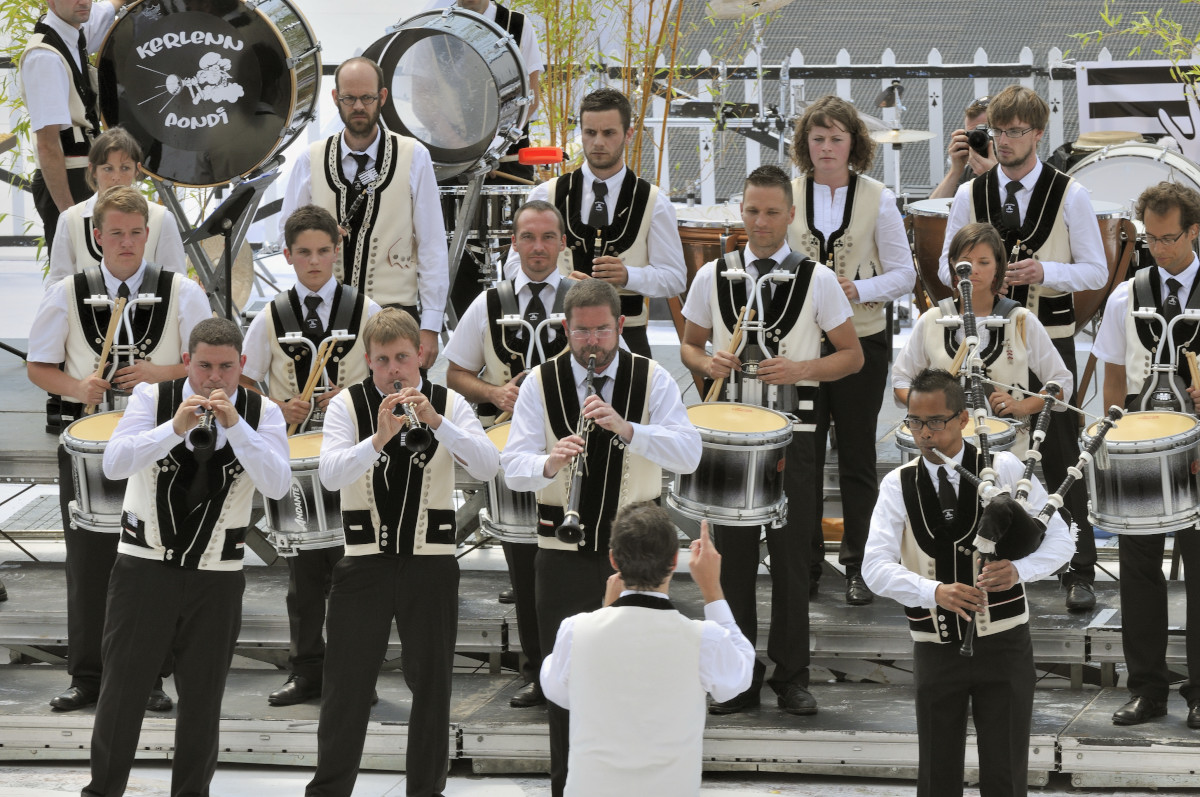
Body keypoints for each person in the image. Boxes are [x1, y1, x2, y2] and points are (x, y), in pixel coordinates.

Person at [501, 278, 701, 797]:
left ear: (620, 326)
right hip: (561, 552)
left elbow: (688, 453)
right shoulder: (539, 383)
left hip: (637, 559)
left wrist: (628, 428)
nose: (593, 342)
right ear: (566, 328)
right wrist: (549, 461)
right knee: (566, 687)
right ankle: (566, 787)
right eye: (583, 332)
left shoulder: (651, 378)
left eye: (603, 331)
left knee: (637, 680)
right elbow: (511, 467)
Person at [680, 164, 862, 717]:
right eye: (753, 211)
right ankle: (736, 679)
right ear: (742, 211)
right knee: (730, 563)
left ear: (791, 216)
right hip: (730, 441)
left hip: (793, 437)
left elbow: (852, 356)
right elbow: (689, 345)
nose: (762, 222)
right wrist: (708, 358)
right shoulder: (714, 274)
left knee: (789, 561)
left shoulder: (820, 278)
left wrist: (801, 367)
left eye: (773, 212)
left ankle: (792, 677)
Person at [84, 317, 291, 797]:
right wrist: (173, 428)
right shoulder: (152, 400)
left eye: (225, 368)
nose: (214, 379)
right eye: (203, 367)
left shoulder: (264, 414)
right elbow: (114, 463)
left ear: (241, 365)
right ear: (186, 363)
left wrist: (236, 426)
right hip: (143, 569)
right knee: (122, 693)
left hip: (216, 576)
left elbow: (278, 484)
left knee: (202, 700)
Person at [27, 185, 211, 713]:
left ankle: (148, 675)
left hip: (162, 446)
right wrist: (76, 388)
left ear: (147, 236)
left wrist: (165, 371)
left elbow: (216, 365)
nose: (127, 243)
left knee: (153, 562)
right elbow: (40, 367)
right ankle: (87, 676)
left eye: (136, 233)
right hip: (89, 447)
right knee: (87, 564)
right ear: (96, 236)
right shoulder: (66, 291)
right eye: (116, 234)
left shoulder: (183, 292)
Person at [307, 308, 499, 797]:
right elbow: (330, 475)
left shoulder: (449, 403)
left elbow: (487, 466)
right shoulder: (345, 407)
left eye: (403, 358)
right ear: (369, 364)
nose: (395, 370)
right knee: (345, 689)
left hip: (430, 565)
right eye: (383, 361)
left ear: (421, 357)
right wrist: (377, 439)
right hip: (363, 565)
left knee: (432, 689)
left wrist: (437, 423)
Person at [863, 368, 1073, 797]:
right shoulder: (897, 484)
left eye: (935, 422)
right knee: (937, 776)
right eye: (915, 422)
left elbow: (1062, 537)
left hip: (1006, 644)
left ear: (962, 419)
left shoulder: (1005, 466)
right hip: (936, 647)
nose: (924, 434)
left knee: (1006, 775)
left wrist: (1020, 571)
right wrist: (933, 592)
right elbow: (873, 566)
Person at [938, 84, 1108, 611]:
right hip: (988, 342)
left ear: (1037, 134)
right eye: (999, 132)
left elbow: (1097, 270)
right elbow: (950, 263)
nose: (1006, 141)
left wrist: (1046, 271)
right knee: (987, 452)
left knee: (1059, 455)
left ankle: (1077, 569)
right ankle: (988, 557)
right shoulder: (972, 192)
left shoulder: (1070, 193)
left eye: (1016, 132)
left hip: (1049, 338)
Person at [240, 204, 380, 707]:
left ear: (337, 252)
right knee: (303, 576)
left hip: (352, 456)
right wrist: (279, 406)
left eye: (324, 251)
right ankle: (308, 671)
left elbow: (387, 374)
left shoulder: (365, 310)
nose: (315, 262)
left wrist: (351, 403)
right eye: (304, 253)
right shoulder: (271, 315)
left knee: (355, 570)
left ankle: (352, 674)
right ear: (288, 256)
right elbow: (244, 378)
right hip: (296, 460)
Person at [786, 95, 916, 605]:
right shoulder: (790, 194)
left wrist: (857, 290)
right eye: (817, 138)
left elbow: (905, 274)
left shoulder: (878, 197)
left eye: (836, 138)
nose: (826, 148)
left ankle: (860, 563)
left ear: (853, 145)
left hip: (862, 339)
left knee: (859, 455)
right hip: (800, 341)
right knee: (803, 455)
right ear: (805, 144)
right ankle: (806, 562)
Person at [444, 199, 572, 709]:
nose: (537, 248)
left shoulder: (581, 296)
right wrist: (496, 395)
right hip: (512, 449)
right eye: (528, 238)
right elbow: (454, 373)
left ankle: (572, 671)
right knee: (523, 564)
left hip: (572, 452)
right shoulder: (489, 302)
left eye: (547, 237)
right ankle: (537, 673)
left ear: (562, 243)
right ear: (512, 244)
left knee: (568, 565)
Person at [540, 504, 754, 797]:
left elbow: (560, 692)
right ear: (675, 560)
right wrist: (711, 589)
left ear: (614, 560)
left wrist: (606, 610)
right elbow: (739, 677)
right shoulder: (704, 639)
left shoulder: (576, 630)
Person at [1092, 181, 1200, 728]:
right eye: (1151, 240)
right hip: (1138, 449)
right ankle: (1147, 689)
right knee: (1138, 571)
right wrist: (1114, 443)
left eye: (1170, 238)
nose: (1159, 249)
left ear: (1195, 230)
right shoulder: (1125, 295)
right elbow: (1112, 377)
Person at [280, 56, 446, 370]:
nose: (358, 106)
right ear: (335, 99)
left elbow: (432, 245)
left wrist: (431, 324)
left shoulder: (414, 156)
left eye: (367, 97)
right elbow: (285, 235)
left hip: (397, 313)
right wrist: (318, 232)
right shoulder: (309, 159)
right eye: (349, 98)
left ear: (382, 97)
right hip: (325, 313)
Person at [503, 88, 686, 359]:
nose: (598, 142)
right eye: (590, 133)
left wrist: (629, 276)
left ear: (628, 134)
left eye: (608, 133)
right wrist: (560, 282)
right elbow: (512, 267)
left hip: (628, 338)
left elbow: (675, 278)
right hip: (555, 335)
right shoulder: (546, 194)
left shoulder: (654, 202)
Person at [892, 222, 1072, 455]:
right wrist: (928, 408)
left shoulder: (1020, 321)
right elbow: (900, 379)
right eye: (966, 262)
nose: (973, 270)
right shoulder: (931, 320)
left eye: (984, 262)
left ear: (998, 268)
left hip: (1006, 452)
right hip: (942, 453)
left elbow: (1061, 382)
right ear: (954, 266)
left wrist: (1022, 405)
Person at [18, 0, 126, 260]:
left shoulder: (75, 28)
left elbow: (109, 8)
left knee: (96, 272)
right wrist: (69, 215)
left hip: (87, 173)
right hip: (68, 178)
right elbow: (47, 144)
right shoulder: (44, 57)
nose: (83, 2)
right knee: (74, 276)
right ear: (50, 2)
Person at [48, 126, 186, 282]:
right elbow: (58, 287)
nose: (116, 177)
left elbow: (175, 282)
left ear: (137, 170)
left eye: (125, 168)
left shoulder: (161, 219)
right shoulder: (71, 220)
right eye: (108, 169)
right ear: (93, 170)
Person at [929, 96, 997, 200]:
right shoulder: (969, 168)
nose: (979, 139)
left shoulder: (1017, 165)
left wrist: (994, 176)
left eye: (985, 132)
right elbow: (932, 211)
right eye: (974, 134)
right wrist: (955, 170)